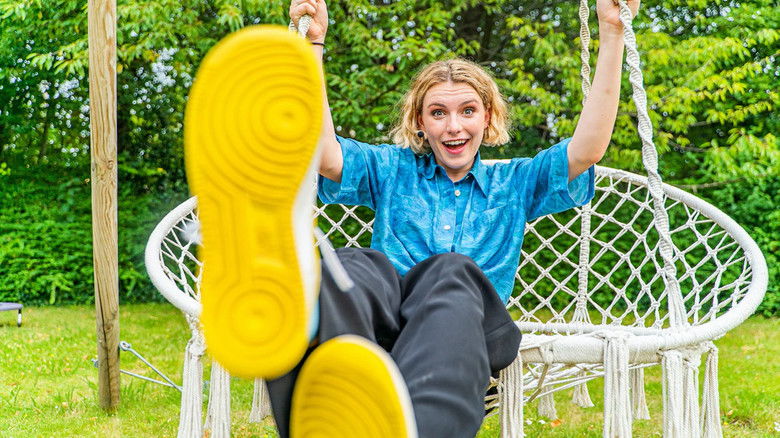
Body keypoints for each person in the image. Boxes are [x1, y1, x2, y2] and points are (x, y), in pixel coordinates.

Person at [185, 0, 640, 436]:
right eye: (438, 113)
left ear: (488, 118)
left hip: (464, 334)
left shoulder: (516, 182)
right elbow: (324, 154)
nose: (453, 126)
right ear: (420, 123)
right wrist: (313, 46)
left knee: (451, 271)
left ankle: (403, 424)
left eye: (467, 111)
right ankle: (303, 337)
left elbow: (587, 149)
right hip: (383, 332)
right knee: (356, 265)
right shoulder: (394, 169)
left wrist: (612, 32)